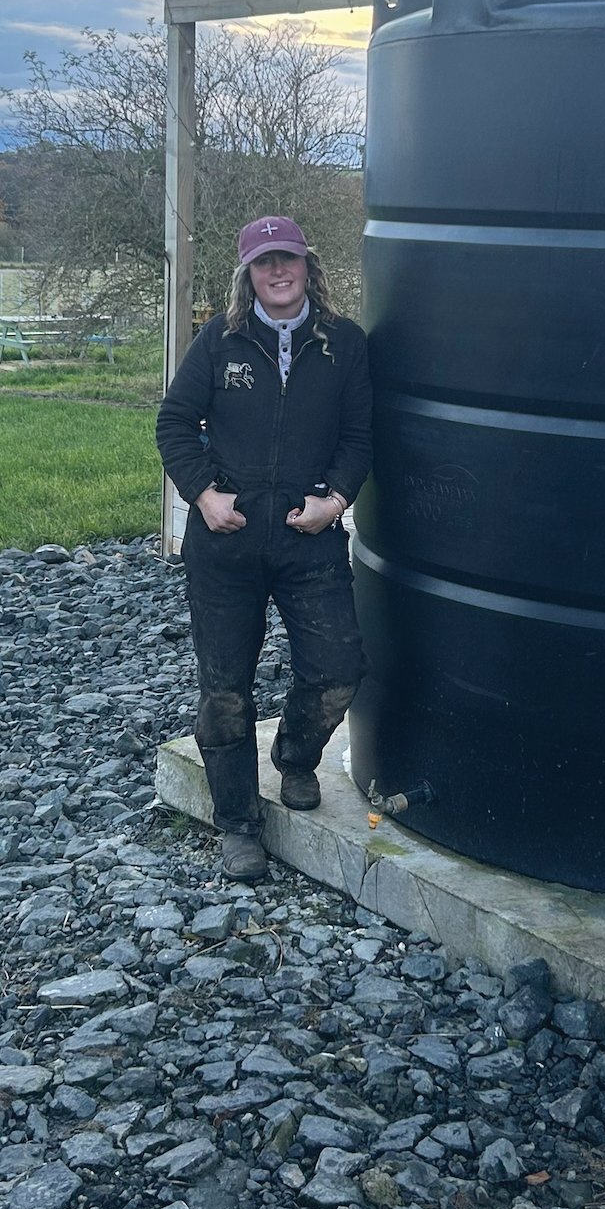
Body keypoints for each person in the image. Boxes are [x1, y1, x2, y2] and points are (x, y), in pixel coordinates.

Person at [156, 215, 372, 881]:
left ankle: (296, 758)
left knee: (338, 670)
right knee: (225, 694)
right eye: (263, 263)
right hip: (226, 547)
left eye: (288, 260)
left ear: (309, 266)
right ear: (246, 275)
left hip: (308, 541)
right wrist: (203, 497)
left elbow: (360, 436)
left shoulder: (343, 343)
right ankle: (239, 826)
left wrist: (334, 500)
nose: (277, 272)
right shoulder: (218, 343)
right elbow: (173, 424)